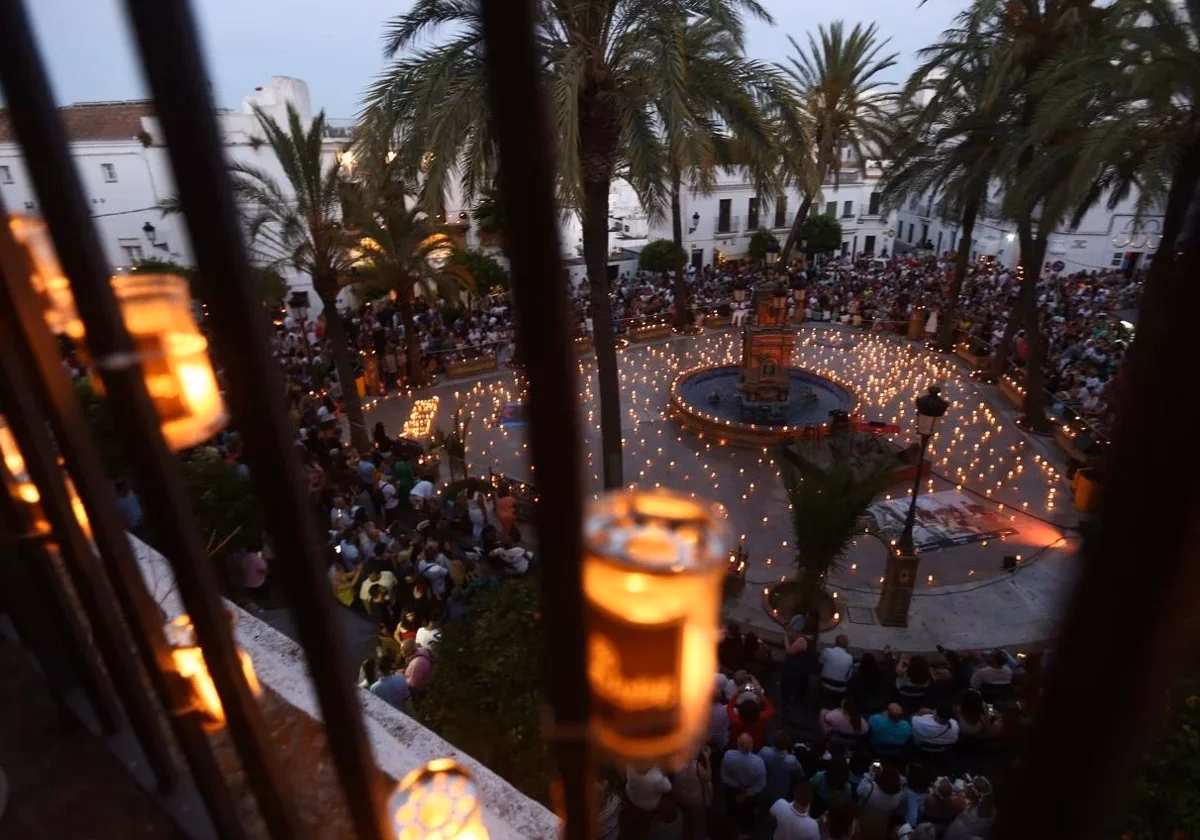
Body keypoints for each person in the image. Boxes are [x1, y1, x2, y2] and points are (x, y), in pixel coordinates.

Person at [720, 733, 766, 840]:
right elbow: (761, 783)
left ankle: (731, 819)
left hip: (733, 788)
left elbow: (724, 776)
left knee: (731, 806)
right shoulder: (758, 762)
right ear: (752, 746)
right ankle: (745, 832)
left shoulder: (728, 755)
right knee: (748, 813)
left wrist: (737, 786)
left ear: (737, 744)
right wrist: (748, 792)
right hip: (750, 791)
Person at [855, 764, 904, 840]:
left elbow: (859, 790)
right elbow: (898, 780)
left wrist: (871, 773)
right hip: (881, 828)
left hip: (862, 824)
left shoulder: (870, 788)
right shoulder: (899, 797)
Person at [624, 765, 671, 839]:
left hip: (633, 797)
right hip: (649, 805)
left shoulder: (630, 766)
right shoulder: (657, 778)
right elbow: (668, 788)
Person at [759, 730, 802, 805]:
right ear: (787, 745)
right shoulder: (792, 760)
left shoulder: (764, 751)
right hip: (781, 795)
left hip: (764, 790)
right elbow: (799, 775)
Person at [728, 682, 775, 750]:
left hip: (738, 742)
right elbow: (770, 710)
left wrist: (737, 692)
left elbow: (729, 708)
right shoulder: (761, 717)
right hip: (757, 742)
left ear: (740, 711)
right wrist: (760, 695)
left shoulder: (735, 719)